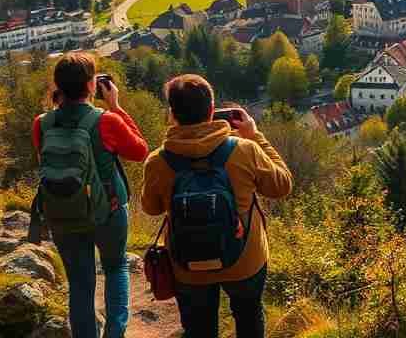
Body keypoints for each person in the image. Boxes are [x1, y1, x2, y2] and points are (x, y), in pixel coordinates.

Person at [142, 74, 292, 338]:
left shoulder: (158, 161)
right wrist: (255, 136)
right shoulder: (245, 149)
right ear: (212, 111)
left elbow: (151, 208)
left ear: (172, 114)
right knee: (249, 317)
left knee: (199, 328)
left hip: (188, 265)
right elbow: (282, 186)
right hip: (245, 258)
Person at [34, 53, 149, 338]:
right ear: (91, 85)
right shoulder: (106, 121)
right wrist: (116, 105)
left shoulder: (42, 123)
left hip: (63, 211)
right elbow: (140, 151)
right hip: (108, 209)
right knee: (115, 267)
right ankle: (115, 333)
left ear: (57, 85)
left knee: (80, 284)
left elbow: (45, 160)